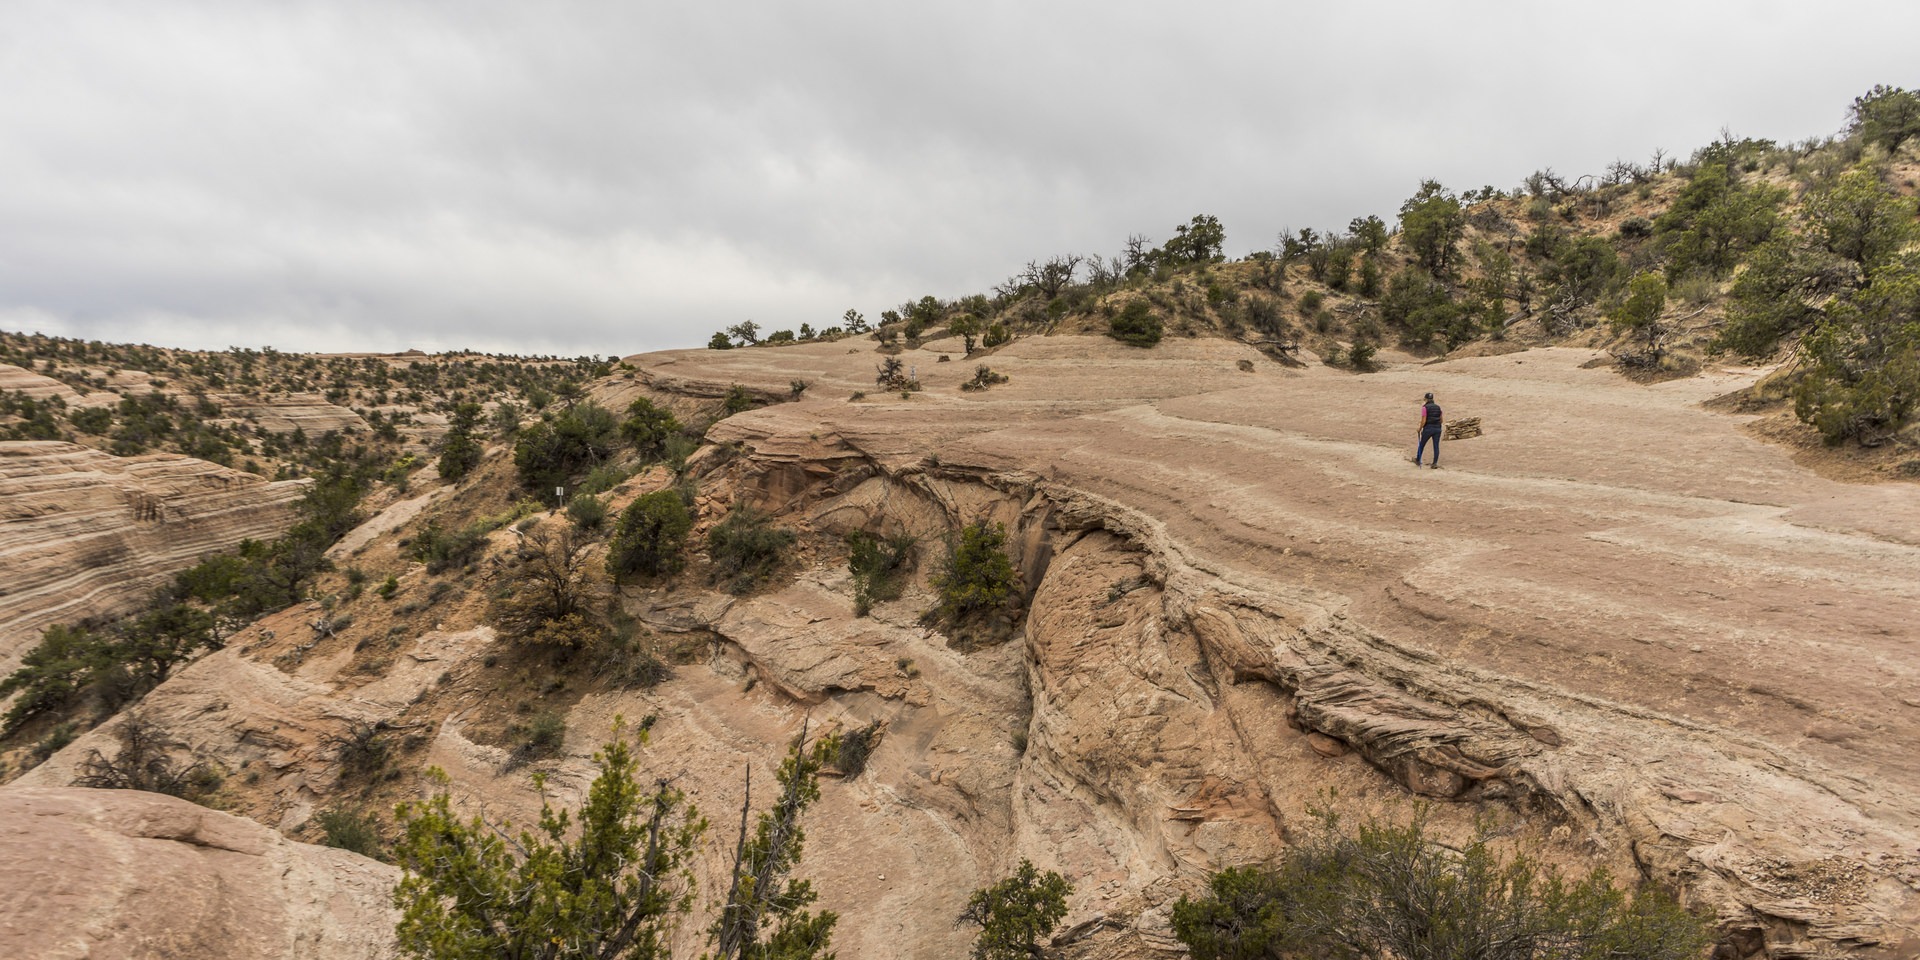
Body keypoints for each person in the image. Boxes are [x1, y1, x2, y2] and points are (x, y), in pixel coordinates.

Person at [1414, 392, 1442, 468]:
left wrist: (1419, 429)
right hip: (1437, 428)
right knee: (1436, 446)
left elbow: (1424, 421)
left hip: (1428, 428)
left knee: (1422, 444)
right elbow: (1441, 420)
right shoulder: (1438, 407)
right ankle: (1434, 463)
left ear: (1425, 399)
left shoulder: (1424, 408)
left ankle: (1418, 459)